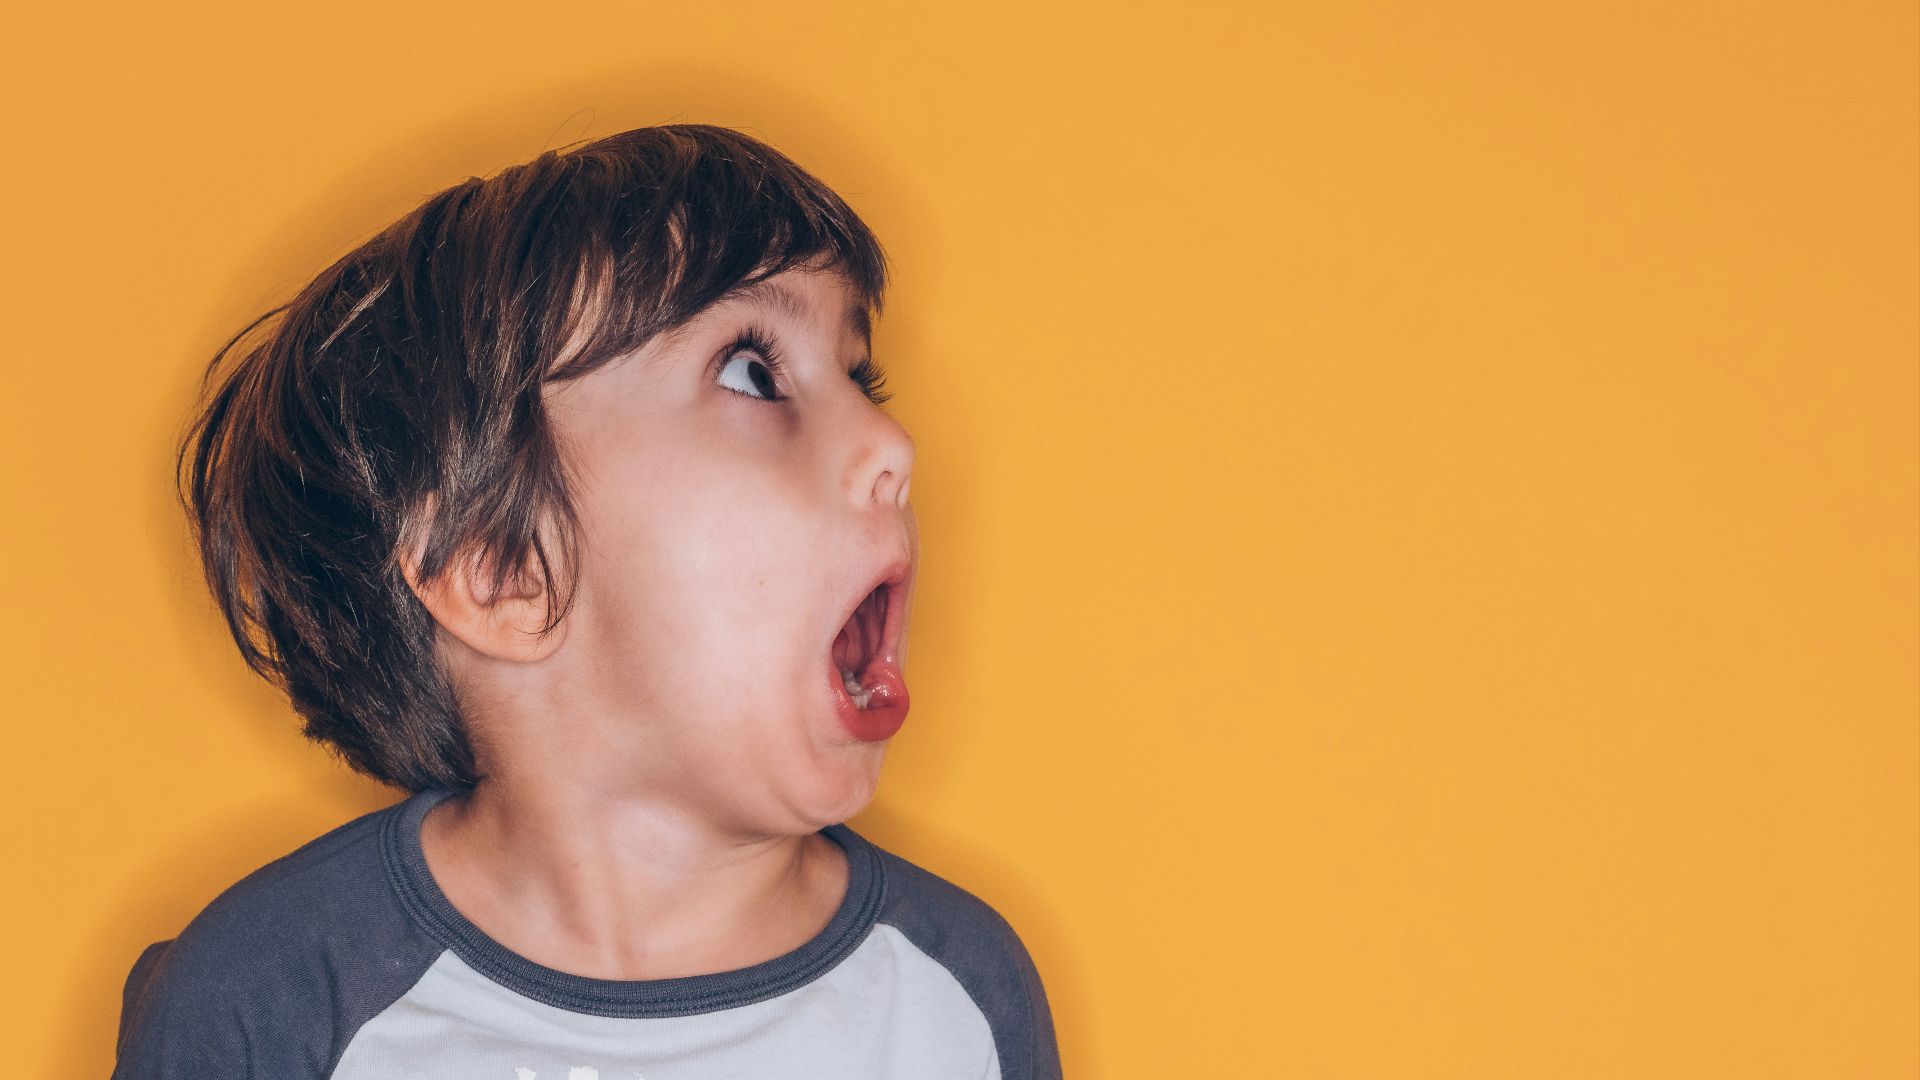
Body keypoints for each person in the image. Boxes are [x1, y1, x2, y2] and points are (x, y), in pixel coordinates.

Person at [112, 123, 1061, 1079]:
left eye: (860, 378)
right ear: (501, 570)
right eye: (753, 373)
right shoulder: (270, 998)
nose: (890, 442)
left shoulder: (960, 999)